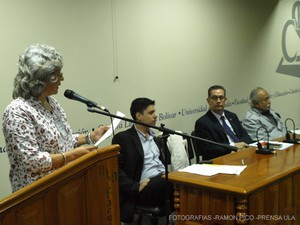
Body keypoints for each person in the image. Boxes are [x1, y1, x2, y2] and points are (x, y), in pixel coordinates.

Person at [2, 44, 109, 192]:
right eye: (58, 74)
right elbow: (32, 161)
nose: (62, 78)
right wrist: (70, 156)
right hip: (36, 196)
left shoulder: (51, 102)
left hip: (64, 188)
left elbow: (64, 139)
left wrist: (90, 137)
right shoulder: (17, 111)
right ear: (44, 77)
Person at [111, 98, 174, 223]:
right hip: (144, 188)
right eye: (151, 113)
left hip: (161, 181)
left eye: (155, 112)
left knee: (185, 180)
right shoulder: (123, 138)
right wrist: (135, 187)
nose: (155, 116)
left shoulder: (154, 137)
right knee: (170, 181)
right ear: (138, 116)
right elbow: (115, 170)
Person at [194, 85, 253, 160]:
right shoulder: (202, 123)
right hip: (221, 159)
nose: (218, 101)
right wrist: (232, 146)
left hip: (241, 155)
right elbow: (208, 149)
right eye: (214, 98)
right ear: (208, 101)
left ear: (225, 100)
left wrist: (245, 145)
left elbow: (245, 136)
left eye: (221, 98)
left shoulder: (232, 116)